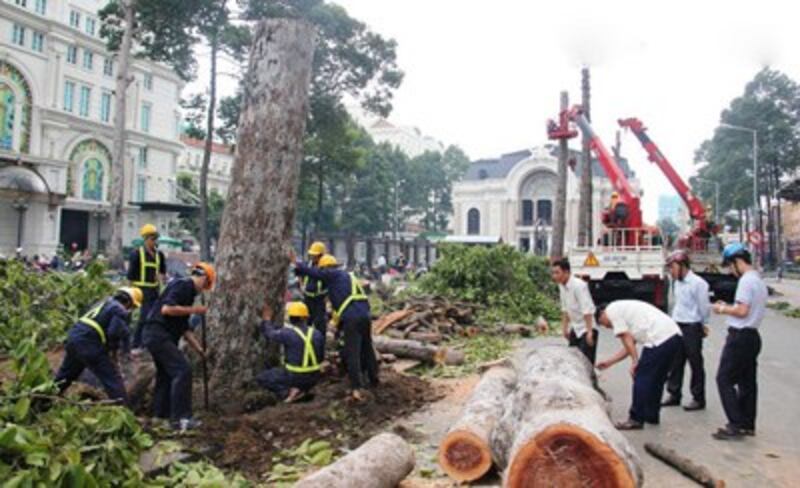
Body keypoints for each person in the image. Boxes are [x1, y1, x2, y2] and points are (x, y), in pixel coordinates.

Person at [291, 250, 377, 401]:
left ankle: (356, 387)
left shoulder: (333, 274)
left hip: (353, 317)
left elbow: (314, 273)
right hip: (364, 315)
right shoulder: (346, 277)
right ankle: (374, 379)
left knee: (353, 352)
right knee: (367, 348)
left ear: (326, 268)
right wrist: (337, 327)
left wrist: (296, 263)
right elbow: (344, 305)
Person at [143, 262, 214, 430]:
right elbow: (167, 309)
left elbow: (183, 328)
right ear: (203, 278)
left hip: (157, 335)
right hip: (159, 334)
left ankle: (160, 416)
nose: (202, 290)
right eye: (206, 285)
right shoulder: (183, 285)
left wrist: (199, 350)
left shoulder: (187, 293)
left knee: (166, 375)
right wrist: (195, 310)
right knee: (182, 371)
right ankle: (181, 418)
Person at [596, 300, 682, 430]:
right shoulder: (627, 314)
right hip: (673, 337)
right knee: (656, 379)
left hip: (659, 337)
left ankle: (635, 418)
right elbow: (629, 345)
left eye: (603, 323)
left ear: (602, 313)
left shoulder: (612, 310)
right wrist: (609, 362)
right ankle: (651, 415)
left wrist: (635, 362)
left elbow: (625, 338)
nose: (608, 327)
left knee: (641, 377)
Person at [711, 243, 767, 440]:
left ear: (737, 262)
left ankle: (734, 424)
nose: (731, 271)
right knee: (747, 382)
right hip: (753, 336)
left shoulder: (745, 281)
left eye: (730, 266)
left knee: (724, 379)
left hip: (739, 337)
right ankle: (747, 424)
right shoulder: (758, 280)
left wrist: (722, 309)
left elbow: (742, 311)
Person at [54, 287, 143, 403]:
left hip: (74, 338)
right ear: (128, 302)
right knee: (112, 378)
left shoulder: (104, 303)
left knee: (65, 376)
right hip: (88, 343)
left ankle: (41, 403)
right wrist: (113, 351)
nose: (131, 310)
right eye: (133, 307)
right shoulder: (119, 310)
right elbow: (114, 332)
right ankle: (123, 410)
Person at [662, 250, 711, 411]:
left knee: (695, 362)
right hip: (677, 325)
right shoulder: (676, 282)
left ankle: (698, 397)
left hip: (692, 326)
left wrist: (703, 324)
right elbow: (675, 304)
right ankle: (674, 393)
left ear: (682, 266)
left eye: (673, 267)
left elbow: (704, 307)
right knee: (675, 362)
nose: (671, 271)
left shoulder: (699, 284)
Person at [257, 301, 324, 403]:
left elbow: (269, 333)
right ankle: (303, 390)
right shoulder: (317, 334)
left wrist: (266, 320)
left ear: (291, 318)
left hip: (295, 377)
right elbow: (321, 357)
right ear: (305, 317)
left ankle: (288, 392)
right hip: (314, 377)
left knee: (262, 378)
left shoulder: (287, 334)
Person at [547, 257, 598, 364]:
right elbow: (565, 309)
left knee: (585, 363)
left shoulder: (579, 286)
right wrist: (564, 329)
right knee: (572, 360)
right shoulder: (561, 286)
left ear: (566, 272)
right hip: (576, 327)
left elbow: (587, 310)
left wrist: (589, 332)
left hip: (586, 327)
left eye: (557, 273)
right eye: (553, 273)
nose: (554, 276)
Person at [128, 224, 166, 350]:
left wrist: (162, 281)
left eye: (156, 238)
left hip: (154, 290)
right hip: (140, 290)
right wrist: (130, 294)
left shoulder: (159, 255)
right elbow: (130, 276)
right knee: (144, 316)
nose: (154, 241)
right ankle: (136, 344)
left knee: (154, 317)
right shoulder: (137, 254)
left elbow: (162, 272)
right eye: (152, 238)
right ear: (145, 239)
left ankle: (146, 343)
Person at [302, 242, 329, 339]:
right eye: (312, 255)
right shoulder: (308, 265)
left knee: (320, 325)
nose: (313, 257)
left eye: (315, 255)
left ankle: (320, 347)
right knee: (305, 324)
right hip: (307, 298)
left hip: (319, 299)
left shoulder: (325, 266)